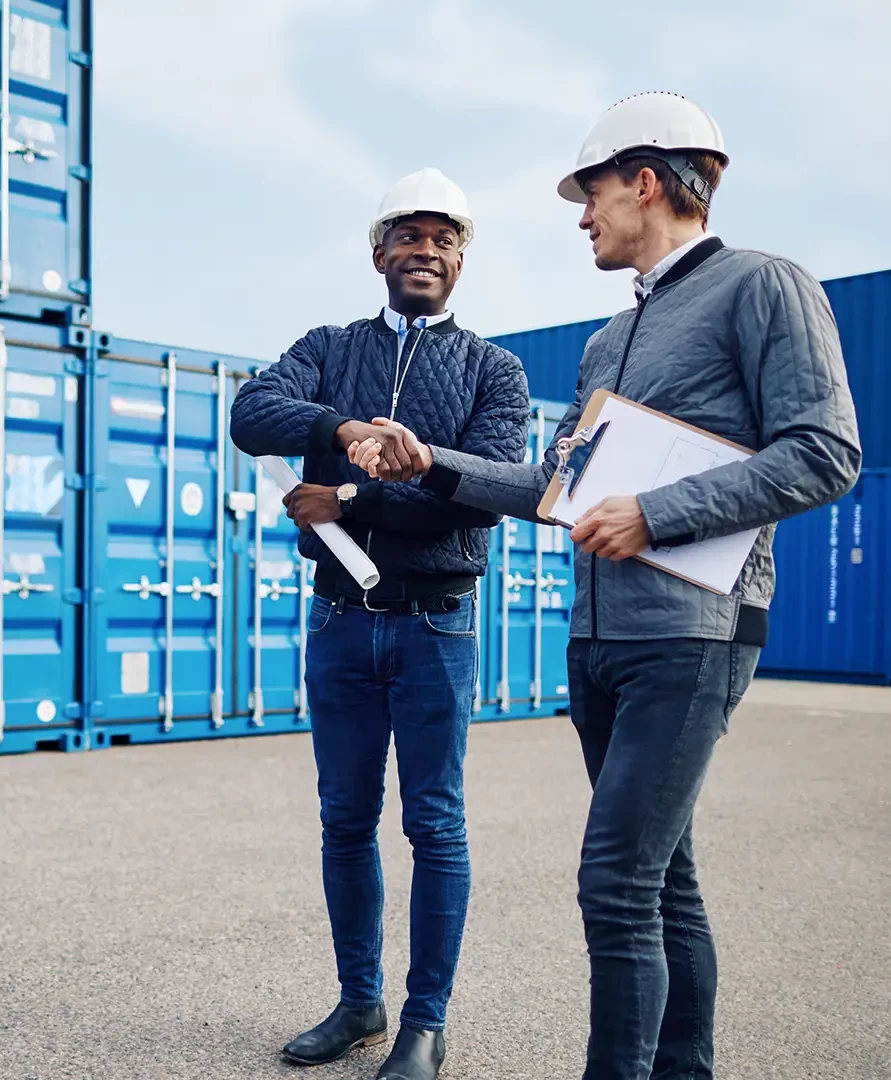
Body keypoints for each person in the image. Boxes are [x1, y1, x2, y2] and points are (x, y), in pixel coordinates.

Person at [350, 93, 861, 1080]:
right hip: (600, 641)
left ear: (644, 181)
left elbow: (825, 453)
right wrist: (432, 465)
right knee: (664, 882)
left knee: (615, 885)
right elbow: (559, 490)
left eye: (590, 196)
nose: (581, 217)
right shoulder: (603, 342)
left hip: (694, 633)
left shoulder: (765, 287)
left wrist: (656, 514)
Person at [229, 167, 532, 1080]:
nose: (426, 251)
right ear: (379, 251)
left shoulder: (495, 369)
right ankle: (359, 999)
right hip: (339, 622)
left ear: (463, 257)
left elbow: (483, 494)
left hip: (439, 625)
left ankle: (424, 1022)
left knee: (434, 824)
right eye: (410, 234)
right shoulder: (328, 345)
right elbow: (251, 413)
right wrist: (348, 426)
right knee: (344, 819)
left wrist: (351, 491)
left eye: (445, 238)